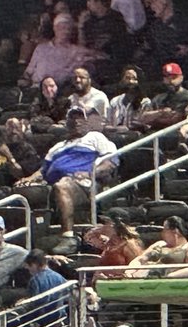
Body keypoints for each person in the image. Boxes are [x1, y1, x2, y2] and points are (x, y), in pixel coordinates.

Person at [16, 107, 119, 252]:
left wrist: (90, 173)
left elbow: (110, 162)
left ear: (87, 122)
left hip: (85, 184)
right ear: (67, 123)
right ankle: (26, 240)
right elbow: (42, 171)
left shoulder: (95, 137)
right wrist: (29, 179)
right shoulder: (57, 147)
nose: (76, 122)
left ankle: (68, 237)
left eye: (80, 118)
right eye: (72, 118)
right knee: (22, 190)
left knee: (62, 185)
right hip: (55, 185)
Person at [126, 215, 188, 279]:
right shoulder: (160, 244)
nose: (162, 233)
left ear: (175, 231)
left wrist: (169, 277)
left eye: (165, 230)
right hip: (141, 278)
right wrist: (129, 272)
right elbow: (140, 259)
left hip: (167, 281)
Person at [106, 65, 152, 130]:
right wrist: (117, 129)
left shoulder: (145, 102)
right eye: (127, 78)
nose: (130, 81)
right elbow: (107, 125)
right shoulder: (115, 101)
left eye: (134, 79)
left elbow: (147, 127)